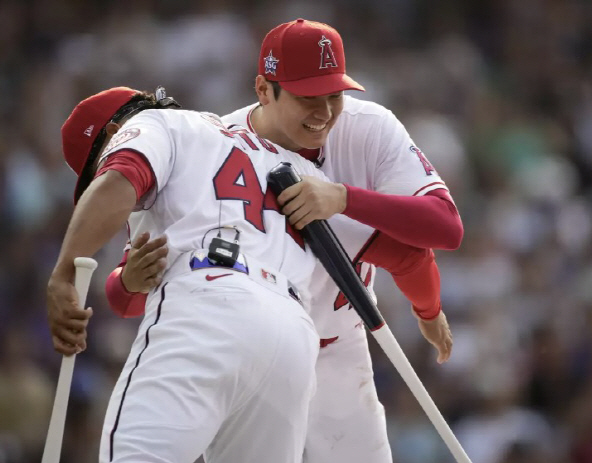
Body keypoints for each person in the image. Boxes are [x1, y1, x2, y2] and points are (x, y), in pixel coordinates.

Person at [106, 19, 463, 463]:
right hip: (246, 329)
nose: (325, 112)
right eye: (307, 97)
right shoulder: (212, 142)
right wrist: (130, 282)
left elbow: (443, 229)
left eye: (334, 94)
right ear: (264, 89)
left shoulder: (367, 127)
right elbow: (129, 296)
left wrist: (344, 199)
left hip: (337, 343)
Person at [46, 86, 341, 463]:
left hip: (209, 306)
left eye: (94, 168)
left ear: (114, 132)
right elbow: (126, 296)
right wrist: (130, 280)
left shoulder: (154, 124)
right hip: (293, 337)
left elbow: (119, 178)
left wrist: (63, 274)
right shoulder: (289, 160)